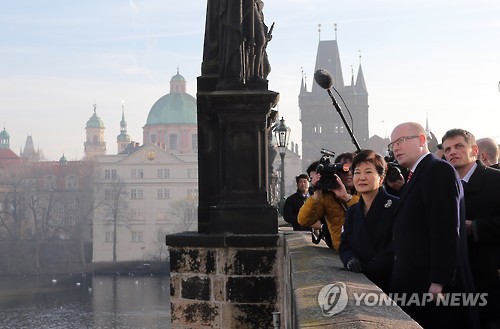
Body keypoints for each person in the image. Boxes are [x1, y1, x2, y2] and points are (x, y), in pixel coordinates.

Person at [388, 122, 479, 329]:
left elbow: (446, 229)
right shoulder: (417, 174)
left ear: (422, 140)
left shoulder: (437, 170)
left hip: (430, 286)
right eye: (393, 144)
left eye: (401, 141)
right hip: (414, 281)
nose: (396, 148)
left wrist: (439, 280)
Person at [442, 129, 500, 328]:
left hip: (489, 277)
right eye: (447, 149)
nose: (452, 152)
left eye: (459, 146)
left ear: (474, 150)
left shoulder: (496, 180)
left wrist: (474, 227)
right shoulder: (444, 186)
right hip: (455, 281)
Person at [339, 150, 399, 293]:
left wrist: (374, 266)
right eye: (357, 173)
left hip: (390, 281)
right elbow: (344, 244)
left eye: (368, 172)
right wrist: (350, 259)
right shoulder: (353, 211)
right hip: (360, 282)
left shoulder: (396, 205)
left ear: (381, 178)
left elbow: (398, 244)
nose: (362, 178)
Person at [298, 152, 359, 251]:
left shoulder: (365, 192)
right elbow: (303, 220)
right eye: (344, 169)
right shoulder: (327, 197)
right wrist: (316, 194)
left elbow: (370, 213)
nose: (349, 173)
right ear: (336, 172)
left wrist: (346, 197)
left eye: (354, 169)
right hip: (342, 253)